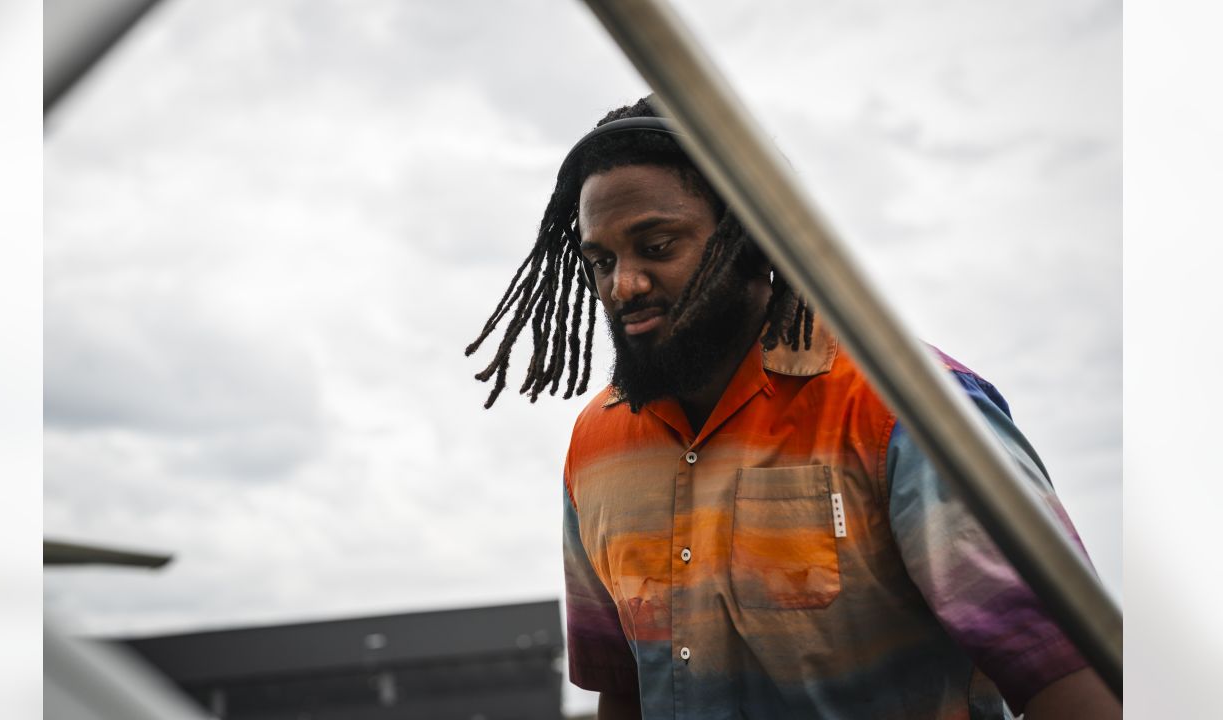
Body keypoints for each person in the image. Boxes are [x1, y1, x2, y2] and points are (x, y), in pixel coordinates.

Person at [466, 96, 1119, 719]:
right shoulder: (596, 444)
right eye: (601, 260)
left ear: (750, 236)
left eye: (658, 247)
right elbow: (625, 692)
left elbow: (1071, 674)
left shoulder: (904, 410)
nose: (623, 285)